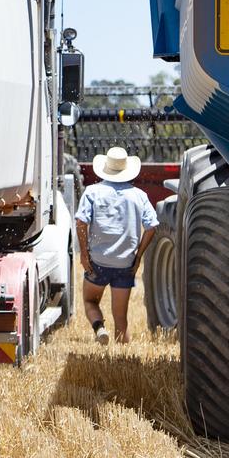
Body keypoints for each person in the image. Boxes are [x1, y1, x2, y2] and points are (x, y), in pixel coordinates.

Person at [73, 146, 159, 344]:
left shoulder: (92, 192)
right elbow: (152, 227)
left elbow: (80, 222)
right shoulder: (139, 195)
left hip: (98, 262)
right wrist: (137, 258)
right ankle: (123, 362)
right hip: (125, 264)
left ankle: (99, 327)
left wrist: (85, 255)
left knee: (89, 301)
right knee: (122, 320)